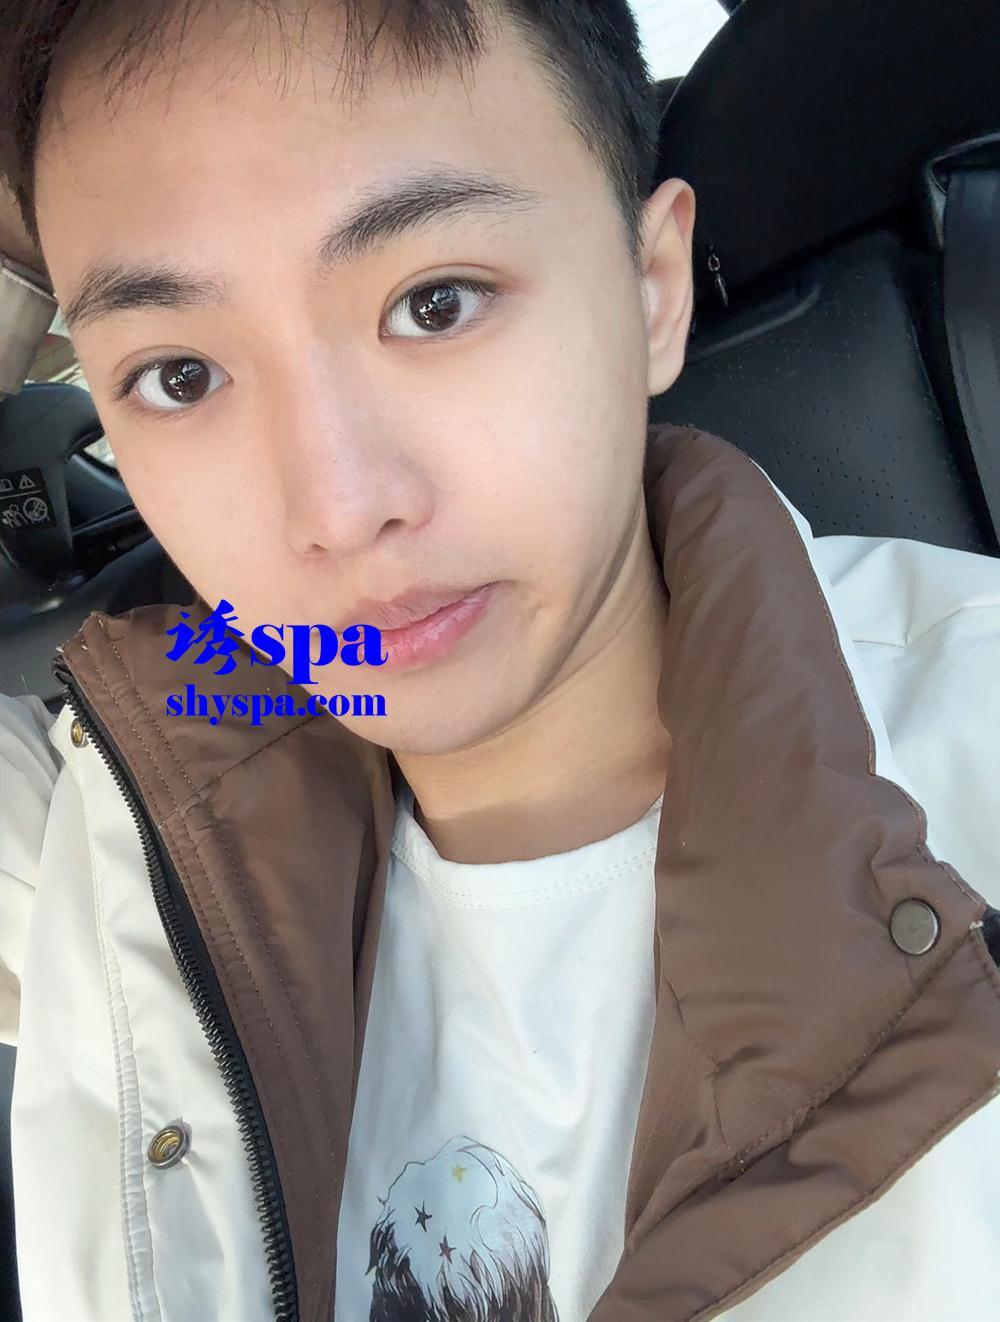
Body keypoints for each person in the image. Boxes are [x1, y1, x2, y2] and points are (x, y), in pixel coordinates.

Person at [0, 3, 998, 1320]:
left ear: (651, 290)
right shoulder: (126, 802)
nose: (337, 510)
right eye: (180, 376)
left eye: (437, 303)